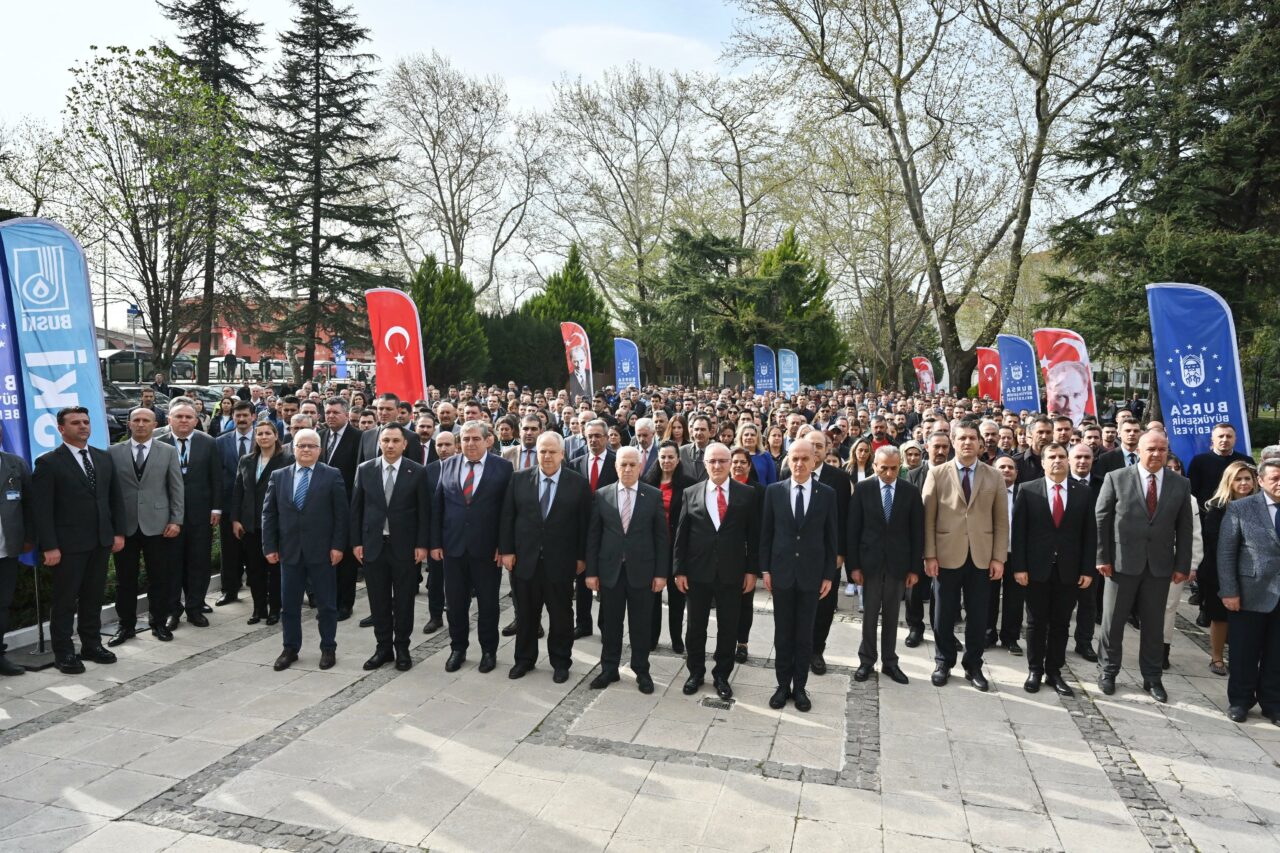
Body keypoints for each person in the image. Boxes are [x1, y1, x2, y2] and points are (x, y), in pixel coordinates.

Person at [1095, 430, 1194, 703]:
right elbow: (1101, 518)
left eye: (1162, 450)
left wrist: (1182, 564)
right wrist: (1102, 556)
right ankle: (1108, 672)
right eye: (1151, 449)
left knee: (1153, 625)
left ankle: (1152, 678)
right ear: (1138, 450)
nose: (1156, 454)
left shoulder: (1180, 484)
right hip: (1120, 563)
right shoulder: (1117, 478)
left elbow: (1185, 528)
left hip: (1160, 567)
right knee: (1112, 622)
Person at [31, 407, 126, 674]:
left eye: (85, 421)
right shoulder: (49, 463)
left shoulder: (102, 458)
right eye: (75, 423)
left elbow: (114, 499)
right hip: (67, 546)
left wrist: (118, 532)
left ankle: (91, 645)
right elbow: (42, 510)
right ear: (61, 428)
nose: (83, 426)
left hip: (100, 541)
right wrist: (49, 546)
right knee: (65, 600)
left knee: (93, 597)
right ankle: (64, 653)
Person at [922, 422, 1009, 691]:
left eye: (973, 438)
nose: (968, 443)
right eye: (962, 438)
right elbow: (928, 518)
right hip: (947, 555)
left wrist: (998, 558)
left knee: (979, 615)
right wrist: (929, 555)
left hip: (982, 557)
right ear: (953, 441)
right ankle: (943, 661)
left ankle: (973, 665)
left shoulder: (994, 476)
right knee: (943, 613)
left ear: (981, 444)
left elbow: (1001, 521)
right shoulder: (937, 474)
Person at [499, 431, 591, 682]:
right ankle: (524, 660)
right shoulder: (518, 479)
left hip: (561, 563)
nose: (547, 456)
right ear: (536, 452)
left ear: (562, 454)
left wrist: (582, 557)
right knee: (526, 615)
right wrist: (506, 550)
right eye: (543, 451)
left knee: (561, 616)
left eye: (552, 451)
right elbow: (508, 517)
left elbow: (585, 525)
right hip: (525, 561)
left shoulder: (578, 484)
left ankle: (561, 661)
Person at [673, 442, 760, 700]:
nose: (718, 466)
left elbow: (753, 537)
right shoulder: (691, 492)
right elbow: (682, 535)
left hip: (732, 573)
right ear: (705, 464)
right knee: (696, 627)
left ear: (731, 463)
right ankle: (695, 672)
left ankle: (722, 674)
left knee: (728, 627)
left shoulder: (747, 494)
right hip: (697, 572)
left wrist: (751, 571)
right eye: (713, 461)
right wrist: (679, 570)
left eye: (724, 461)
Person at [1008, 443, 1096, 697]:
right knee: (1035, 622)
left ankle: (1054, 671)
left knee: (1060, 623)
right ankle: (1035, 670)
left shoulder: (1083, 493)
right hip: (1036, 569)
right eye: (1051, 457)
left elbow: (1089, 535)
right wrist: (1019, 567)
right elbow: (1020, 533)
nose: (1057, 461)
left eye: (1061, 457)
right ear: (1043, 462)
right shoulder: (1028, 490)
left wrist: (1087, 569)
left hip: (1069, 570)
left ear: (1068, 461)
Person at [760, 438, 838, 712]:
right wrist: (766, 569)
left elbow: (831, 538)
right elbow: (766, 534)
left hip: (811, 575)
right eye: (795, 458)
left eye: (805, 458)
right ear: (788, 460)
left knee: (804, 635)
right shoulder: (774, 491)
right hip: (781, 573)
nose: (800, 463)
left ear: (815, 460)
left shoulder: (826, 493)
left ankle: (800, 687)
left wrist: (829, 574)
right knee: (783, 634)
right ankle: (782, 685)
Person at [262, 428, 349, 671]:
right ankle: (290, 648)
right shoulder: (279, 476)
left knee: (326, 605)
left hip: (322, 552)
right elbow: (269, 514)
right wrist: (269, 545)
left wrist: (338, 546)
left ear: (320, 450)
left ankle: (328, 647)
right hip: (289, 552)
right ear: (293, 448)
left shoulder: (332, 475)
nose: (307, 450)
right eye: (302, 446)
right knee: (289, 604)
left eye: (312, 446)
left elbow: (341, 515)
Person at [431, 420, 513, 673]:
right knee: (455, 603)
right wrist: (435, 542)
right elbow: (438, 507)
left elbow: (508, 512)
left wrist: (504, 545)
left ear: (488, 440)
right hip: (453, 548)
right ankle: (458, 648)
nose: (470, 443)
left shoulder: (503, 468)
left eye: (476, 439)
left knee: (488, 604)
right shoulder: (448, 465)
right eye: (465, 439)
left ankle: (489, 650)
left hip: (487, 550)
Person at [586, 446, 669, 693]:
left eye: (633, 464)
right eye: (623, 464)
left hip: (642, 572)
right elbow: (594, 536)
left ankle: (641, 670)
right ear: (616, 466)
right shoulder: (602, 495)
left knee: (640, 624)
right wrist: (591, 572)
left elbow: (661, 538)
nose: (628, 469)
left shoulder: (652, 495)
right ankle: (609, 669)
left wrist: (661, 574)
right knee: (610, 624)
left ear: (641, 467)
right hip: (610, 572)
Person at [351, 423, 430, 672]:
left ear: (405, 444)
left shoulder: (416, 471)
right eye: (386, 440)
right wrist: (356, 542)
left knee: (404, 600)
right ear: (379, 443)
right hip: (373, 547)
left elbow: (424, 512)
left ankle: (402, 647)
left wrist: (422, 544)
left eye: (396, 440)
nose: (390, 445)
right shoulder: (365, 470)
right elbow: (356, 510)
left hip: (405, 548)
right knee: (378, 600)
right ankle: (383, 647)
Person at [107, 407, 184, 646]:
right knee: (125, 579)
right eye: (136, 420)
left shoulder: (168, 451)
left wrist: (176, 519)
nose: (141, 424)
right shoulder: (112, 452)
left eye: (146, 421)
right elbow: (108, 492)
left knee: (159, 577)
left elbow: (176, 487)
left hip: (158, 526)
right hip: (125, 527)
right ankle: (126, 626)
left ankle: (158, 622)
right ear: (129, 424)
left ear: (155, 424)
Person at [847, 445, 922, 684]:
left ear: (899, 466)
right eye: (883, 468)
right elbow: (853, 530)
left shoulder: (910, 491)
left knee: (891, 615)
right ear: (874, 466)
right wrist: (854, 567)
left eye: (893, 468)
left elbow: (916, 533)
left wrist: (913, 569)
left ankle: (890, 662)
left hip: (898, 565)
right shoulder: (863, 489)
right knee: (869, 616)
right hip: (869, 564)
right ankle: (866, 660)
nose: (889, 473)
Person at [1216, 458, 1280, 724]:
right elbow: (1226, 552)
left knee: (1277, 654)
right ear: (1261, 481)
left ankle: (1272, 703)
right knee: (1244, 651)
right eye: (1274, 478)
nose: (1279, 483)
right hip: (1248, 592)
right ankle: (1240, 701)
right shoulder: (1241, 508)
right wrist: (1229, 590)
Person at [157, 400, 221, 629]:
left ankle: (195, 608)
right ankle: (173, 610)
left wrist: (216, 508)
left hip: (200, 515)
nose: (184, 420)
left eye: (188, 417)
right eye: (179, 417)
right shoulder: (158, 443)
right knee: (171, 565)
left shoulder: (208, 443)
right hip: (168, 517)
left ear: (196, 420)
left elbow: (216, 477)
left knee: (198, 563)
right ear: (169, 420)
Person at [1198, 461, 1257, 677]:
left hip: (1251, 574)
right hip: (1218, 571)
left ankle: (1239, 657)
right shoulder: (1217, 507)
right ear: (1229, 481)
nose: (1243, 483)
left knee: (1245, 619)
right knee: (1220, 616)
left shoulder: (1260, 505)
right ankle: (1217, 657)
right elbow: (1215, 541)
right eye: (1238, 479)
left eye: (1247, 478)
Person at [230, 421, 290, 624]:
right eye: (260, 434)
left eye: (267, 433)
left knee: (274, 569)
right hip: (250, 523)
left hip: (276, 523)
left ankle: (275, 608)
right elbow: (238, 490)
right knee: (254, 569)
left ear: (276, 436)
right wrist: (236, 519)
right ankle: (258, 609)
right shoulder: (246, 460)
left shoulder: (287, 460)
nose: (263, 437)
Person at [643, 440, 695, 653]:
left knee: (676, 597)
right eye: (662, 457)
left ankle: (676, 639)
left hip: (676, 547)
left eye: (670, 457)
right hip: (652, 548)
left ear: (678, 459)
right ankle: (652, 637)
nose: (666, 461)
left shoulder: (688, 484)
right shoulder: (647, 483)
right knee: (652, 597)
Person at [318, 398, 362, 623]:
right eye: (327, 412)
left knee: (344, 558)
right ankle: (329, 600)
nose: (331, 416)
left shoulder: (358, 438)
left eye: (335, 412)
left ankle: (346, 603)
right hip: (322, 508)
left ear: (346, 414)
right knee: (327, 557)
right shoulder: (322, 436)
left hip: (347, 506)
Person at [572, 419, 616, 638]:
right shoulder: (576, 463)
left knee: (606, 581)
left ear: (607, 438)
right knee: (582, 579)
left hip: (608, 531)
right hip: (581, 530)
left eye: (598, 435)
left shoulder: (616, 463)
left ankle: (605, 624)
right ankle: (583, 623)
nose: (594, 440)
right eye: (590, 436)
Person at [1160, 453, 1203, 670]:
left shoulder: (1190, 499)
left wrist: (1192, 564)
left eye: (1177, 468)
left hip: (1175, 561)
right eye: (1168, 467)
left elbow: (1195, 535)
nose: (1172, 471)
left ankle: (1162, 649)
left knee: (1169, 607)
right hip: (1145, 561)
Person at [215, 401, 257, 606]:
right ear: (233, 417)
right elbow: (216, 475)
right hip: (229, 505)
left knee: (255, 549)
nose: (241, 419)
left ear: (253, 417)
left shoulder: (264, 437)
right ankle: (229, 590)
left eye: (245, 416)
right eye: (237, 416)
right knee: (229, 550)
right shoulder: (221, 442)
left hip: (256, 507)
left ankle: (260, 588)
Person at [727, 446, 767, 663]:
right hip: (725, 555)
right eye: (735, 461)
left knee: (745, 602)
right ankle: (725, 640)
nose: (739, 465)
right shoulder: (723, 487)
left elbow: (760, 527)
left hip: (746, 555)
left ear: (749, 466)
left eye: (743, 462)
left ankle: (742, 642)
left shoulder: (758, 491)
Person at [1066, 442, 1105, 662]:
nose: (1082, 461)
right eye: (1078, 457)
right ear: (1070, 459)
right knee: (1063, 601)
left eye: (1087, 457)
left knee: (1088, 601)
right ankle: (1058, 639)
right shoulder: (1060, 483)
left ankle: (1084, 642)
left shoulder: (1103, 484)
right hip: (1065, 552)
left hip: (1093, 552)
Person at [0, 447, 35, 676]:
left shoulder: (15, 464)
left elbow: (30, 504)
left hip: (7, 549)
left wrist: (30, 537)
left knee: (2, 604)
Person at [987, 455, 1022, 655]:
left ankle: (1010, 638)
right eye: (1002, 467)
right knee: (988, 596)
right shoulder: (986, 492)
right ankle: (988, 634)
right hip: (991, 553)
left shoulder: (1025, 493)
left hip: (1016, 554)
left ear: (1016, 473)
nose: (1006, 470)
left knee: (1015, 599)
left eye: (1010, 467)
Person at [1187, 422, 1253, 505]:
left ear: (1235, 439)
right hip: (1208, 511)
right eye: (1220, 436)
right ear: (1212, 439)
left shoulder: (1246, 461)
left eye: (1229, 436)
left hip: (1242, 509)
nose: (1224, 440)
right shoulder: (1199, 461)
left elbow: (1254, 488)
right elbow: (1192, 490)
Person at [358, 393, 422, 464]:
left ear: (398, 411)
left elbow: (415, 470)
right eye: (381, 409)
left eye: (389, 409)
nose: (384, 412)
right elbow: (360, 466)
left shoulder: (411, 437)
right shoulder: (367, 435)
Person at [1046, 360, 1091, 426]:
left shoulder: (1095, 433)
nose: (1070, 406)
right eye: (1061, 397)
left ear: (1086, 394)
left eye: (1076, 395)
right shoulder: (1044, 430)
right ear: (1049, 396)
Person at [679, 414, 714, 481]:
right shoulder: (682, 451)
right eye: (696, 429)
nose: (699, 433)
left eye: (703, 429)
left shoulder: (717, 452)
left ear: (710, 432)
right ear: (692, 432)